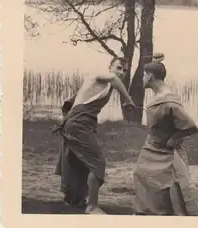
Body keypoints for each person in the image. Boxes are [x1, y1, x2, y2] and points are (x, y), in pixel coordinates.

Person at [53, 57, 136, 215]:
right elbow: (112, 78)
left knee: (79, 162)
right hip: (79, 124)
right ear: (109, 67)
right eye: (119, 68)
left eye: (125, 70)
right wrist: (128, 99)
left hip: (81, 124)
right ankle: (92, 206)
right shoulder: (100, 76)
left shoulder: (106, 85)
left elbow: (72, 102)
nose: (121, 73)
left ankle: (75, 198)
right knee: (97, 163)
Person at [133, 55, 198, 216]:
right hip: (152, 148)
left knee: (167, 185)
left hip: (164, 151)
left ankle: (162, 214)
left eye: (144, 75)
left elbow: (190, 126)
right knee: (141, 174)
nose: (143, 79)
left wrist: (174, 139)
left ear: (150, 76)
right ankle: (149, 212)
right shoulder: (160, 97)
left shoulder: (168, 100)